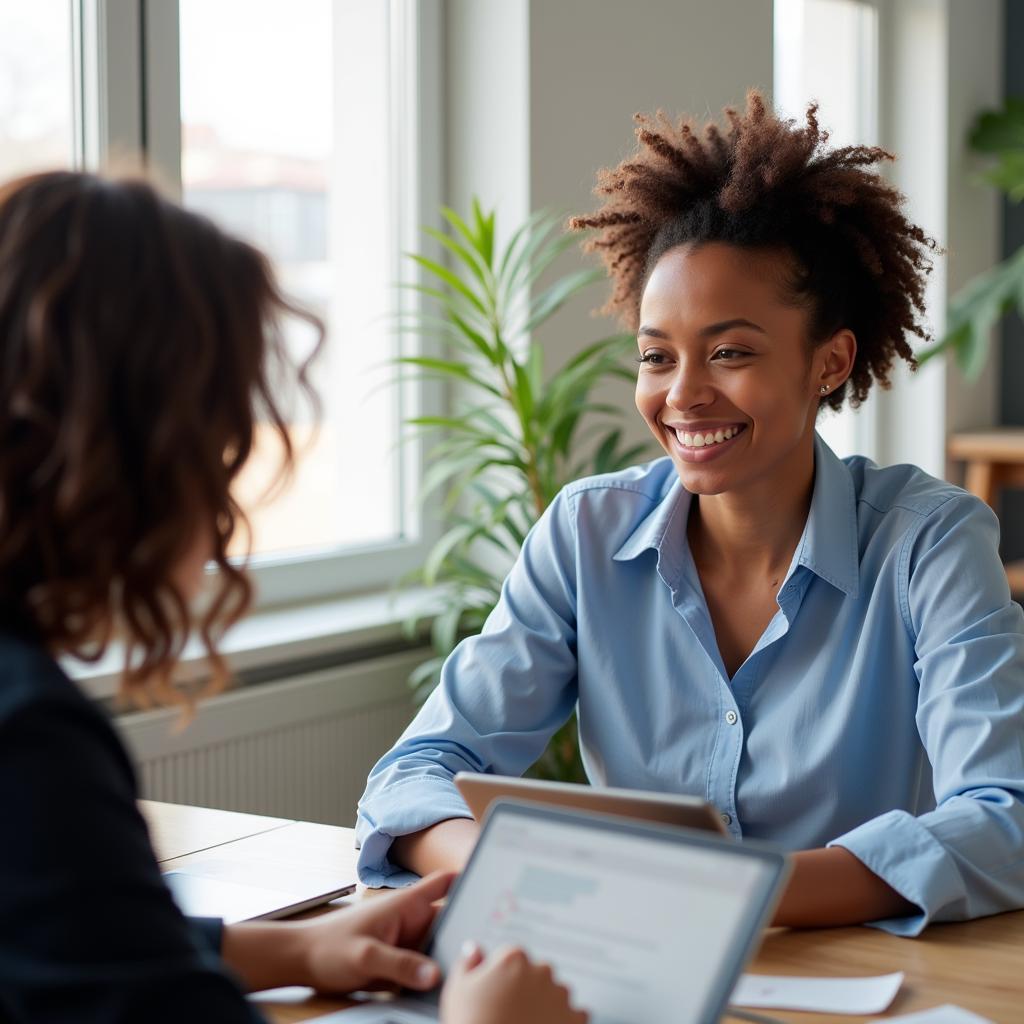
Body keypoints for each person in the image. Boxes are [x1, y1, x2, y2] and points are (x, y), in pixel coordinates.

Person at [356, 92, 1024, 937]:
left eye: (730, 352)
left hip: (859, 977)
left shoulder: (928, 540)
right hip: (625, 963)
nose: (683, 395)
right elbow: (416, 770)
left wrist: (727, 895)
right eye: (655, 356)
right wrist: (501, 868)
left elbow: (1005, 817)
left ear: (831, 361)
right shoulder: (585, 535)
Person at [0, 170, 586, 1024]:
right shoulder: (30, 742)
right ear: (135, 452)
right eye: (220, 437)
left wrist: (292, 948)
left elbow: (66, 942)